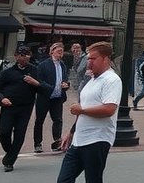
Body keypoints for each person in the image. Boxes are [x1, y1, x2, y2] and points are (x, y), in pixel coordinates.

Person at [56, 41, 121, 183]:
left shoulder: (112, 80)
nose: (89, 62)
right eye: (88, 58)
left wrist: (82, 110)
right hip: (79, 140)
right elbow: (83, 109)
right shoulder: (91, 80)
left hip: (97, 139)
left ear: (105, 59)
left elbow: (109, 109)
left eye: (93, 59)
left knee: (93, 180)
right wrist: (71, 132)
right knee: (64, 180)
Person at [0, 44, 38, 171]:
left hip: (25, 107)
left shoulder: (34, 70)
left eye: (28, 55)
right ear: (16, 56)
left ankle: (9, 162)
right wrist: (2, 98)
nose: (25, 58)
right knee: (3, 133)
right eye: (22, 55)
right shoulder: (7, 72)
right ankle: (11, 153)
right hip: (9, 107)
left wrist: (35, 83)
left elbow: (43, 87)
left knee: (19, 134)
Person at [33, 42, 71, 153]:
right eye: (59, 51)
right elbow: (39, 81)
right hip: (44, 97)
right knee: (39, 120)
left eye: (62, 52)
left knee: (58, 120)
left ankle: (57, 142)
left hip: (57, 97)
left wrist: (66, 85)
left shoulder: (63, 65)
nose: (61, 54)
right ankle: (37, 143)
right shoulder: (43, 65)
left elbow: (65, 79)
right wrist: (50, 87)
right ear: (52, 52)